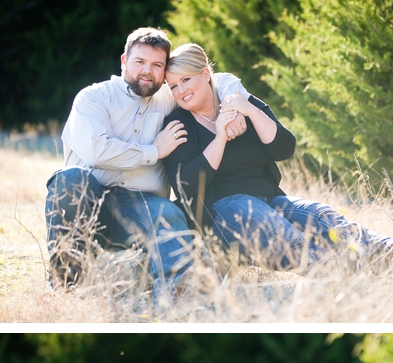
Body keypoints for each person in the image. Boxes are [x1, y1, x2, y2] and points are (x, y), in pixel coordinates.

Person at [161, 44, 393, 272]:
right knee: (280, 232)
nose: (180, 90)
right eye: (173, 86)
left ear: (206, 74)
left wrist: (250, 110)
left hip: (271, 199)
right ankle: (359, 269)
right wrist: (219, 137)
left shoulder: (239, 101)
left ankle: (386, 250)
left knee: (321, 215)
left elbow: (284, 149)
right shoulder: (178, 123)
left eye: (186, 80)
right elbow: (186, 185)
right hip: (222, 213)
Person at [45, 27, 249, 299]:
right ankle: (65, 285)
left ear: (164, 71)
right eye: (140, 62)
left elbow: (217, 79)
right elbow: (97, 151)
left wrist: (234, 107)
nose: (147, 71)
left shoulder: (167, 97)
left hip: (139, 206)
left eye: (157, 65)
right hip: (89, 203)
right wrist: (154, 150)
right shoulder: (93, 98)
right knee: (70, 179)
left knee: (167, 213)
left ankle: (176, 295)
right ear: (124, 61)